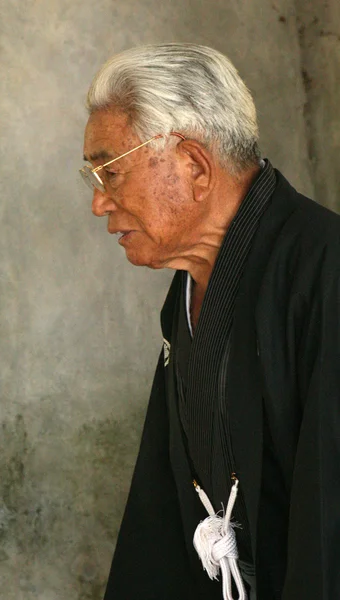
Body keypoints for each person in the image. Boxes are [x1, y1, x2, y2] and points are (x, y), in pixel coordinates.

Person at [80, 44, 340, 600]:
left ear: (195, 166)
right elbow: (161, 508)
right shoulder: (188, 294)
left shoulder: (326, 269)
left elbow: (329, 513)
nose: (99, 203)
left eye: (110, 172)